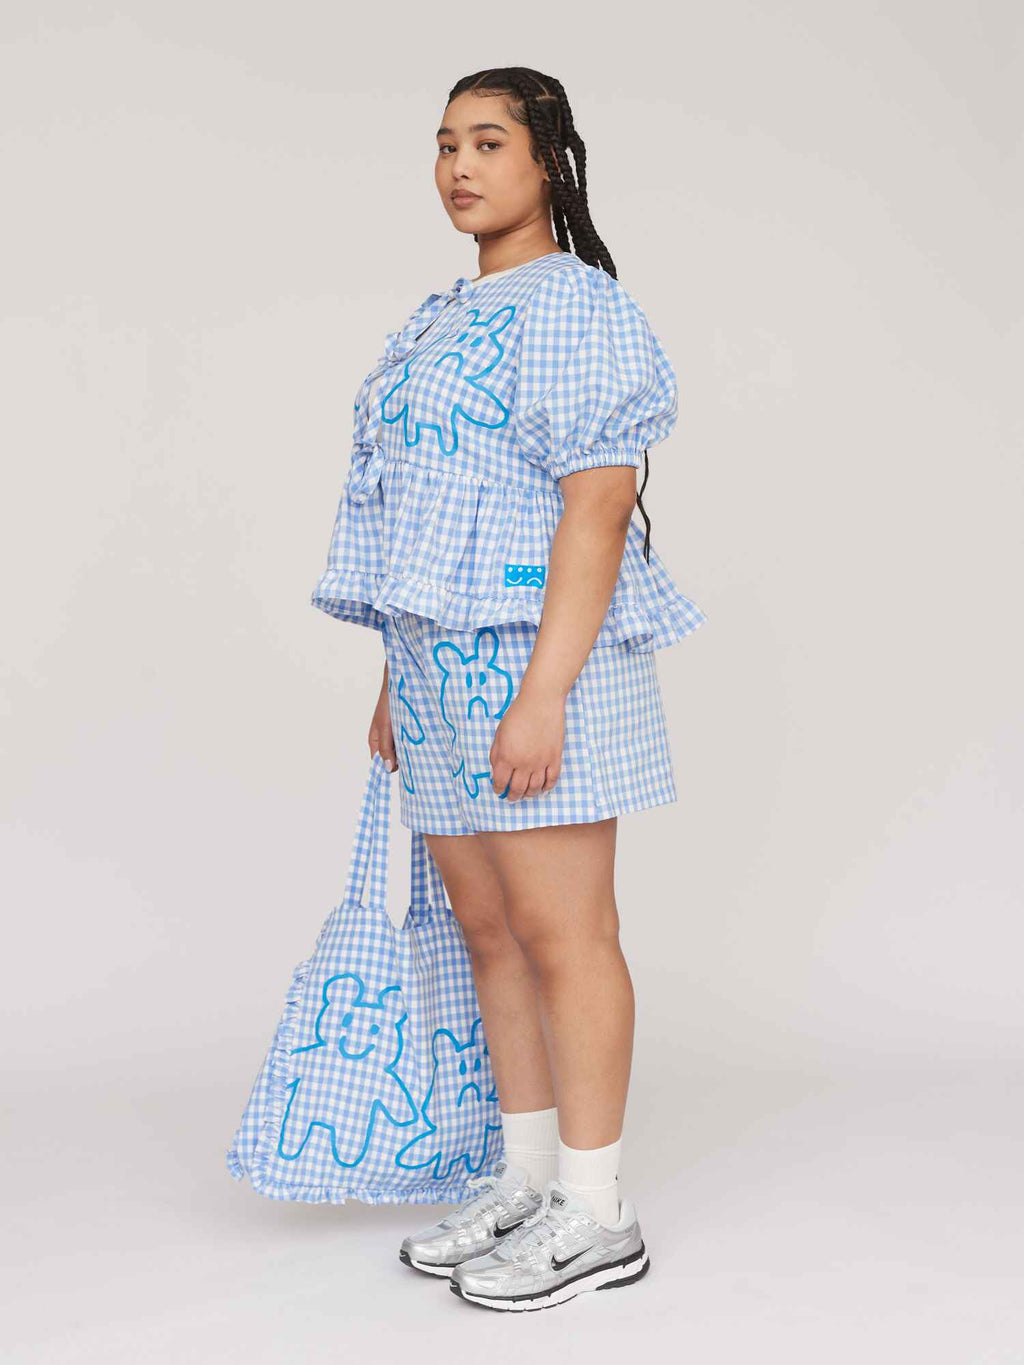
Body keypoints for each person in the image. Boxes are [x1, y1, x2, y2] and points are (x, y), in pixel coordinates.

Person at [309, 66, 707, 1312]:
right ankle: (526, 1179)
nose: (459, 167)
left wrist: (541, 695)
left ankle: (597, 1210)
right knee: (486, 932)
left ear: (550, 164)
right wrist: (397, 672)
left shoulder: (575, 305)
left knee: (563, 934)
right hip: (439, 672)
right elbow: (427, 508)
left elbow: (597, 507)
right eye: (445, 146)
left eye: (488, 142)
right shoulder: (442, 315)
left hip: (539, 665)